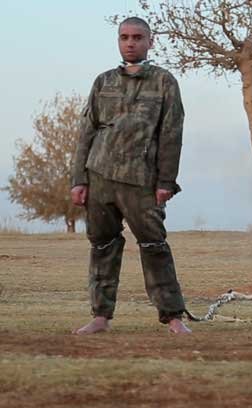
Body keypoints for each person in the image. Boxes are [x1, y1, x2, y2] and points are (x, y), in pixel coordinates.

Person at [70, 17, 191, 334]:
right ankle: (100, 317)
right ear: (118, 41)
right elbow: (86, 132)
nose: (130, 42)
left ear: (150, 42)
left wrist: (166, 182)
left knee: (154, 245)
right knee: (102, 246)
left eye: (137, 37)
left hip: (141, 181)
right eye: (124, 37)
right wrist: (78, 180)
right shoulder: (103, 82)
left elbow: (171, 135)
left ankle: (173, 317)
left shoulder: (164, 82)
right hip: (100, 177)